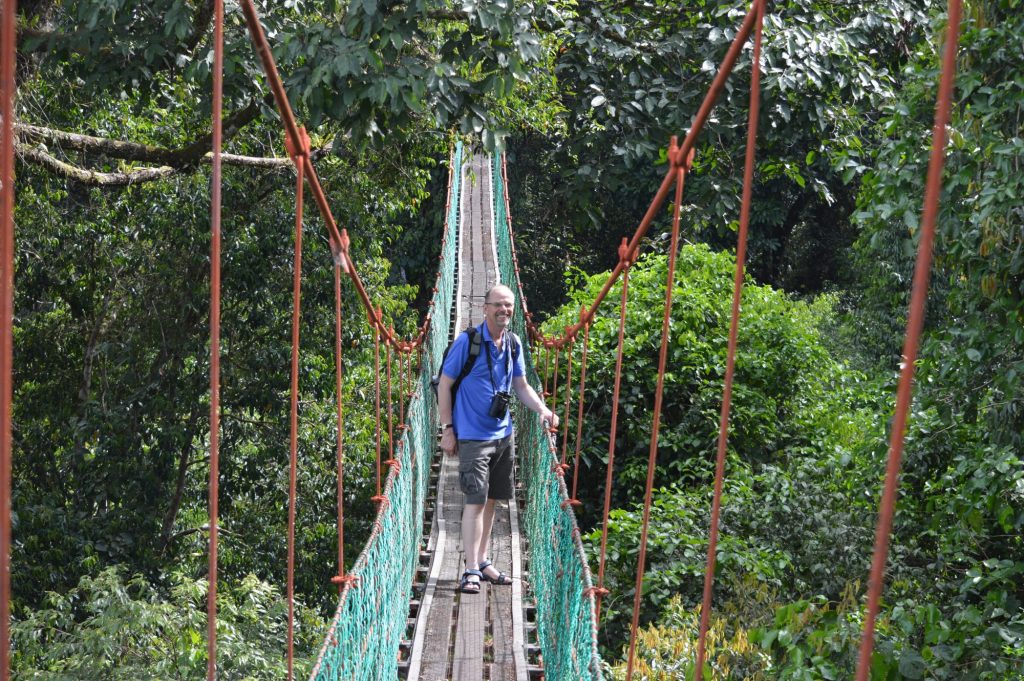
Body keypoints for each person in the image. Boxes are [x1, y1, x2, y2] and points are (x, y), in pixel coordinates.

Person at [437, 284, 558, 594]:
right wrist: (448, 429)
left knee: (492, 501)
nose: (504, 310)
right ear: (485, 308)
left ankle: (482, 560)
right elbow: (444, 385)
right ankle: (470, 571)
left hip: (504, 435)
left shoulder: (514, 344)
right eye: (498, 305)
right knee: (475, 502)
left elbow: (521, 386)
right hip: (474, 438)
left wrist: (543, 410)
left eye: (509, 306)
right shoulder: (468, 342)